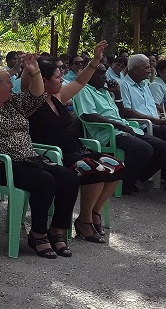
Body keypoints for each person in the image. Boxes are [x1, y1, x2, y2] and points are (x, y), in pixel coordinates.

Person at [0, 54, 80, 259]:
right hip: (0, 164)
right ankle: (38, 234)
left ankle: (57, 230)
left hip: (28, 160)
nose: (12, 85)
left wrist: (34, 70)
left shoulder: (13, 104)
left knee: (69, 177)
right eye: (8, 82)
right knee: (45, 181)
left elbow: (37, 95)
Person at [28, 42, 124, 243]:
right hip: (55, 154)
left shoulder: (58, 97)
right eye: (57, 76)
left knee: (117, 166)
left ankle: (93, 213)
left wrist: (96, 60)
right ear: (43, 81)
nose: (62, 79)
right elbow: (31, 86)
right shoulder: (33, 103)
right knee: (95, 170)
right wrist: (32, 69)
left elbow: (80, 82)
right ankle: (86, 221)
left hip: (76, 149)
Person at [75, 63, 166, 195]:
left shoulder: (104, 92)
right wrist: (119, 125)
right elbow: (89, 115)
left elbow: (121, 115)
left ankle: (135, 178)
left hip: (124, 128)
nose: (104, 77)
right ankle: (123, 184)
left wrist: (117, 94)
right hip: (106, 133)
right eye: (100, 73)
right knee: (144, 149)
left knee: (162, 148)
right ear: (89, 74)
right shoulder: (84, 90)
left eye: (104, 73)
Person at [120, 54, 166, 139]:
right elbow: (127, 111)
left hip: (156, 123)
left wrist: (159, 117)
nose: (149, 70)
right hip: (143, 126)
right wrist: (154, 120)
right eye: (146, 68)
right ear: (135, 69)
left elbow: (152, 105)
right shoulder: (123, 85)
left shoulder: (144, 84)